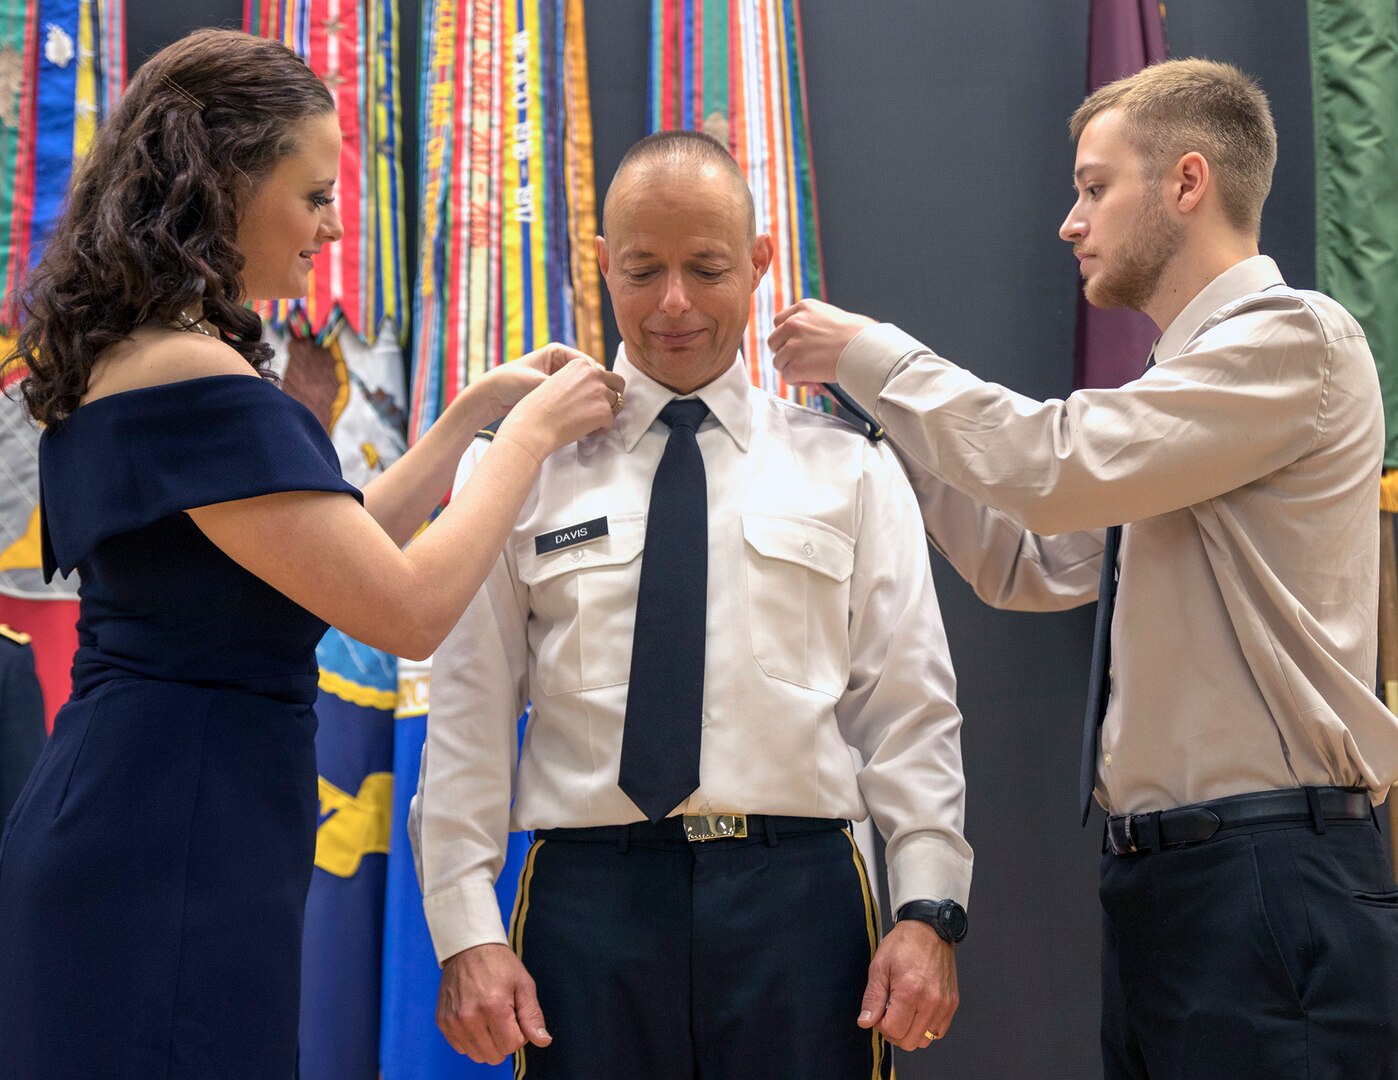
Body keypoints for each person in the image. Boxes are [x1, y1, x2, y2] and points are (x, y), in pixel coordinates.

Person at [0, 28, 622, 1079]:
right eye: (315, 193)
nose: (332, 228)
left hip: (160, 823)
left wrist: (472, 412)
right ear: (226, 185)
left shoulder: (150, 355)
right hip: (168, 841)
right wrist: (529, 440)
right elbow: (408, 609)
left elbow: (329, 552)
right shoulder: (192, 377)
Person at [769, 58, 1398, 1079]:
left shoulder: (1294, 342)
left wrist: (872, 356)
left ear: (1188, 184)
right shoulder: (1183, 396)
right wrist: (890, 436)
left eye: (1095, 186)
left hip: (1272, 871)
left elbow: (1052, 467)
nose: (1070, 220)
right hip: (1175, 884)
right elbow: (1027, 559)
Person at [409, 130, 971, 1078]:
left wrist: (927, 910)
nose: (673, 303)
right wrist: (465, 928)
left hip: (800, 901)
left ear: (757, 263)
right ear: (601, 265)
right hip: (589, 906)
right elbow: (467, 714)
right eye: (643, 269)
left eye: (707, 268)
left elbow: (909, 712)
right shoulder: (518, 470)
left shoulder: (848, 465)